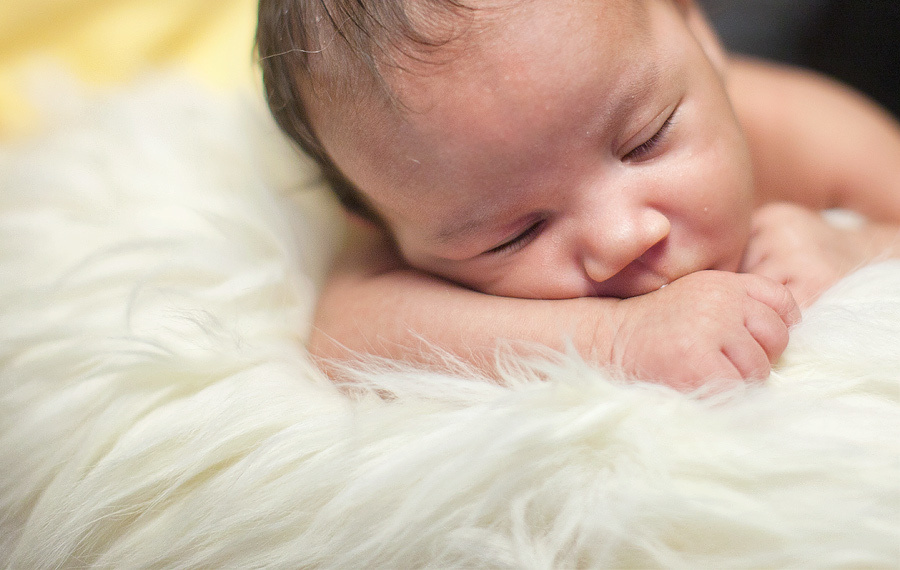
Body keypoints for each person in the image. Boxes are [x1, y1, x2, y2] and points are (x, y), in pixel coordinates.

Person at [256, 0, 900, 389]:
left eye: (646, 141)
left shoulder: (788, 128)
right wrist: (613, 340)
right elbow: (346, 336)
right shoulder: (417, 186)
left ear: (696, 31)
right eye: (514, 233)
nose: (622, 238)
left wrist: (857, 246)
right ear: (374, 221)